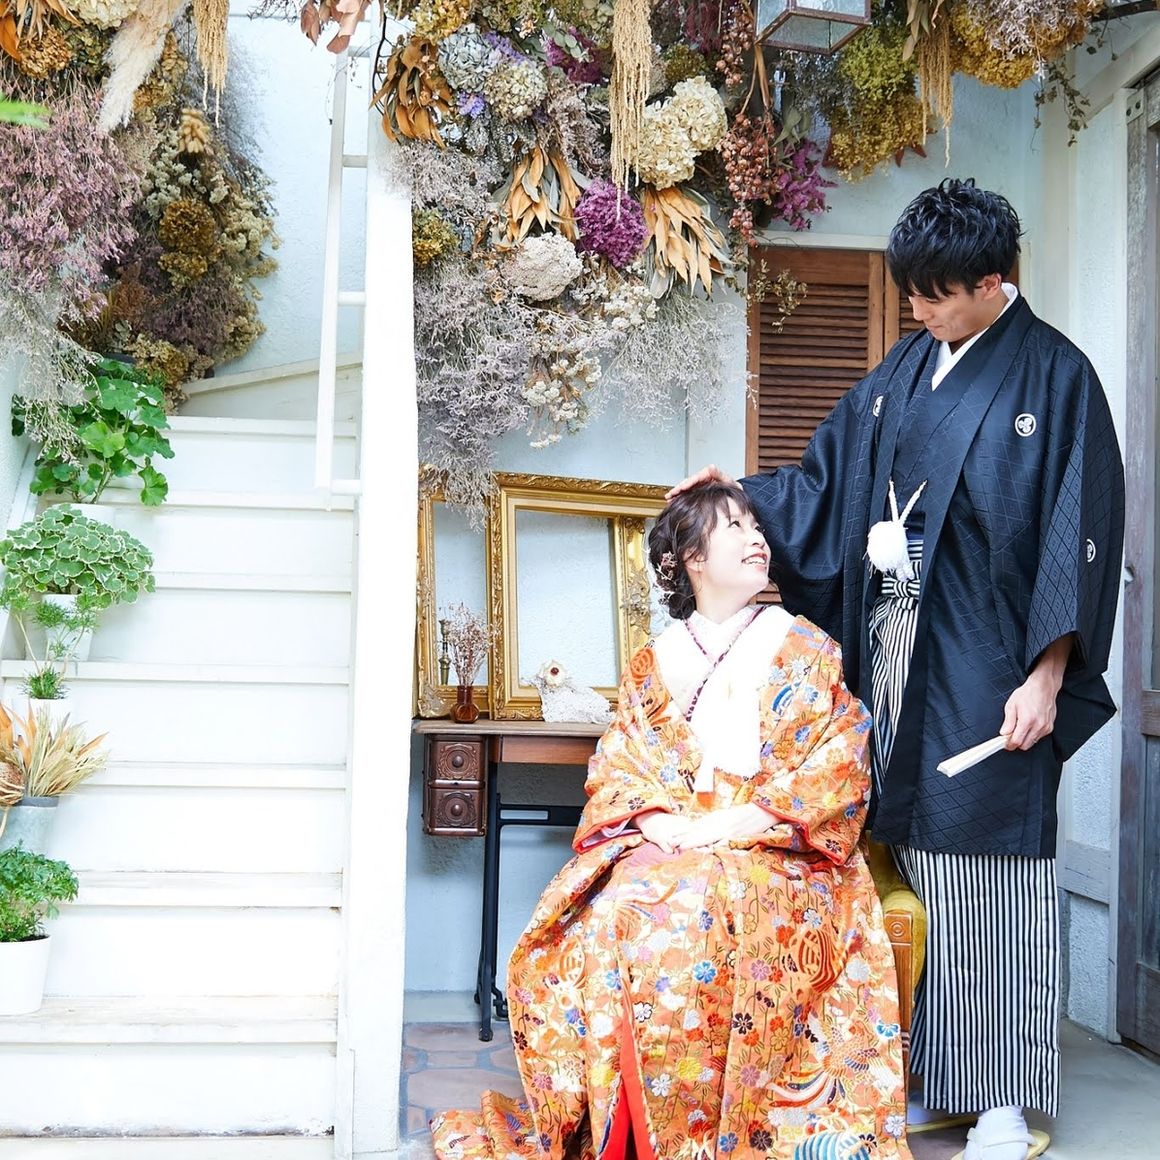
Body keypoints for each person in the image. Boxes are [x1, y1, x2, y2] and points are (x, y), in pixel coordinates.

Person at [670, 179, 1125, 1160]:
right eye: (909, 292)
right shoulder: (905, 367)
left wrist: (1047, 676)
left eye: (934, 295)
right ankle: (926, 1076)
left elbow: (1075, 539)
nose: (916, 310)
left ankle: (1001, 1100)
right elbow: (826, 479)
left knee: (987, 870)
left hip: (990, 658)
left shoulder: (1057, 378)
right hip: (889, 646)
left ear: (991, 282)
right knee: (899, 852)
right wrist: (734, 494)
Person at [431, 484, 913, 1160]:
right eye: (733, 527)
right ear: (691, 557)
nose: (756, 538)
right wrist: (655, 820)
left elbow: (839, 758)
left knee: (704, 904)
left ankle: (730, 1129)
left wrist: (738, 822)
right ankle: (625, 1134)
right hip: (675, 835)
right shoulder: (656, 659)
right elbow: (621, 758)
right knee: (611, 913)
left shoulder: (803, 645)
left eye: (755, 525)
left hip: (780, 848)